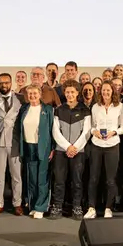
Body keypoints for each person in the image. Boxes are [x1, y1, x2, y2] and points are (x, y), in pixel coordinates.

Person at [85, 81, 123, 219]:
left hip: (112, 145)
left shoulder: (120, 107)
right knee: (93, 178)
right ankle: (91, 208)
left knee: (110, 179)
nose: (106, 92)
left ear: (113, 91)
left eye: (108, 90)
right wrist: (94, 131)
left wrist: (113, 132)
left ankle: (108, 208)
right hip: (96, 145)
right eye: (103, 90)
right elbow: (91, 126)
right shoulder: (95, 107)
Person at [50, 80, 91, 220]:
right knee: (59, 180)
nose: (70, 94)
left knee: (77, 181)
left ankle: (77, 207)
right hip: (61, 151)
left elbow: (87, 132)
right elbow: (55, 131)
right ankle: (57, 207)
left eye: (72, 92)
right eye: (67, 92)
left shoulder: (85, 110)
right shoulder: (59, 109)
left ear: (77, 93)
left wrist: (75, 147)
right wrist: (67, 147)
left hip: (78, 152)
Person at [17, 85, 55, 219]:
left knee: (42, 178)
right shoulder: (24, 109)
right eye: (30, 94)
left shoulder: (48, 110)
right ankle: (32, 205)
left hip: (43, 147)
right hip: (28, 146)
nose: (32, 96)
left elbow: (53, 130)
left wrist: (52, 148)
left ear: (40, 94)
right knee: (31, 178)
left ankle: (41, 207)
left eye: (35, 93)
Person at [0, 73, 24, 216]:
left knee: (16, 176)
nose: (4, 85)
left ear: (11, 83)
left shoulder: (21, 99)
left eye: (7, 82)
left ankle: (17, 203)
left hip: (15, 142)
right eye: (1, 83)